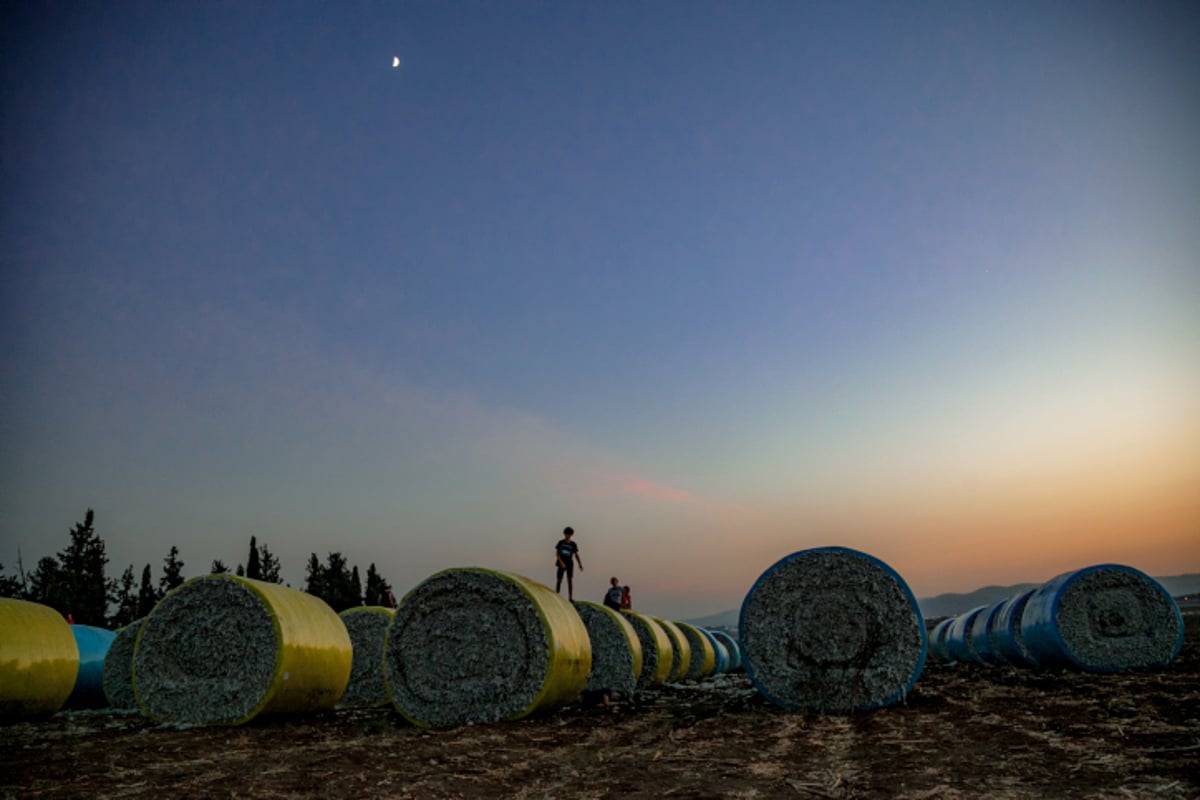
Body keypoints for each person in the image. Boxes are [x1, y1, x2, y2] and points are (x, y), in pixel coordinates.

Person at [554, 526, 583, 600]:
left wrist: (580, 564)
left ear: (571, 535)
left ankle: (570, 597)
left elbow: (576, 555)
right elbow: (557, 554)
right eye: (567, 534)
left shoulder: (573, 544)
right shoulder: (561, 542)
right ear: (564, 534)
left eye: (569, 534)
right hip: (561, 562)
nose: (568, 535)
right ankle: (557, 594)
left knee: (570, 579)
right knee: (559, 579)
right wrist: (561, 562)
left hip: (569, 563)